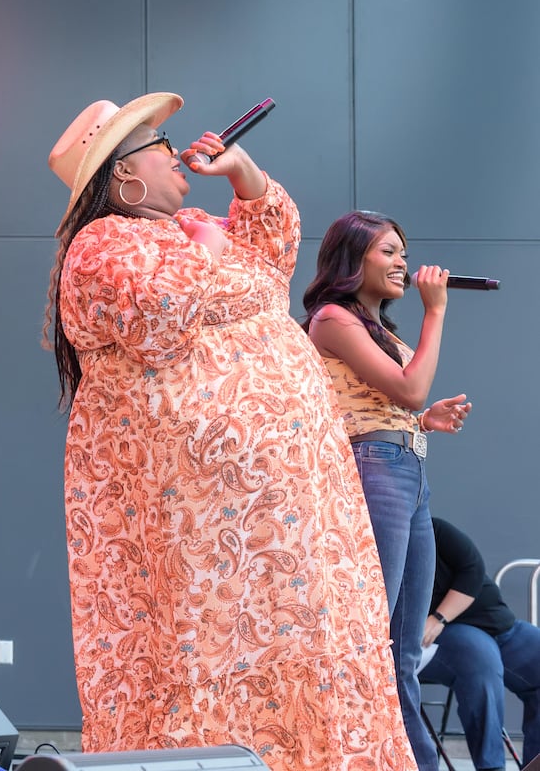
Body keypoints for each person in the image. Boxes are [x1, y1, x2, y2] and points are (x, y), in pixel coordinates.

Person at [45, 93, 413, 770]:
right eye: (156, 145)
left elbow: (273, 262)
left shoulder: (186, 222)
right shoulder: (102, 244)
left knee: (308, 653)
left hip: (280, 512)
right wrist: (208, 250)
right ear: (122, 177)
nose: (171, 149)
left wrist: (243, 175)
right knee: (216, 654)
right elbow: (158, 320)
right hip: (206, 524)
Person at [304, 211, 472, 771]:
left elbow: (398, 404)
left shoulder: (378, 330)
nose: (403, 262)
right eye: (388, 251)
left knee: (403, 648)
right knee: (374, 637)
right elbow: (410, 387)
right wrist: (438, 309)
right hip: (376, 467)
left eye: (403, 251)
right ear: (353, 258)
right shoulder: (332, 318)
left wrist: (425, 424)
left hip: (405, 466)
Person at [421, 516, 540, 770]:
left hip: (500, 627)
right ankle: (492, 766)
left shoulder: (433, 529)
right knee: (479, 658)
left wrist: (441, 616)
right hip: (442, 637)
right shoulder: (377, 542)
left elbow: (472, 567)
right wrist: (438, 620)